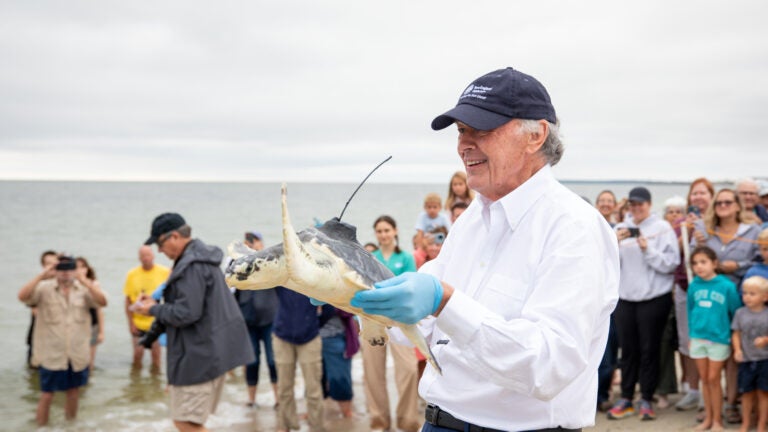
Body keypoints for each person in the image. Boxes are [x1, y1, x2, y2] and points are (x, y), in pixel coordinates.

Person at [350, 67, 620, 431]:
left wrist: (444, 301)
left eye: (483, 129)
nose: (464, 144)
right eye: (462, 130)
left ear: (536, 135)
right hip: (438, 422)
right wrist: (352, 289)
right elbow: (419, 325)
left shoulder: (574, 227)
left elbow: (548, 365)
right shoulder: (473, 218)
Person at [134, 213, 254, 432]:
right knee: (192, 421)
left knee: (185, 422)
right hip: (209, 352)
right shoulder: (199, 259)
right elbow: (191, 306)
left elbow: (186, 313)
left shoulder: (192, 266)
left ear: (175, 237)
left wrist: (151, 309)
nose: (159, 251)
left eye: (160, 244)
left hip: (199, 357)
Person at [609, 186, 680, 421]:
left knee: (650, 350)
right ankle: (626, 397)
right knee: (628, 351)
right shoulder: (620, 228)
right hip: (625, 299)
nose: (636, 208)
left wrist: (647, 249)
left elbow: (671, 264)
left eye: (640, 204)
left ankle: (647, 398)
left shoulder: (662, 228)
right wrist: (612, 245)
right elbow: (609, 266)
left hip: (654, 299)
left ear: (649, 205)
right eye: (632, 204)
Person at [693, 188, 762, 424]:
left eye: (728, 201)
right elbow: (697, 257)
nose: (723, 205)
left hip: (739, 295)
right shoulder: (706, 230)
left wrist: (736, 265)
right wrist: (696, 238)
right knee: (712, 360)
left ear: (737, 205)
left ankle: (731, 403)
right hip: (710, 299)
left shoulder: (752, 230)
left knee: (734, 355)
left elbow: (759, 259)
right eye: (719, 202)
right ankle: (712, 407)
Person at [18, 255, 108, 426]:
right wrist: (41, 275)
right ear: (56, 271)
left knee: (74, 392)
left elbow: (102, 302)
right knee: (46, 394)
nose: (65, 274)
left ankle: (70, 426)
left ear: (74, 271)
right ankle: (42, 428)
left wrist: (85, 281)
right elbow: (22, 296)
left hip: (76, 353)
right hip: (52, 354)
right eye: (62, 270)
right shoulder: (44, 288)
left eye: (69, 270)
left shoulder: (83, 289)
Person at [366, 215, 421, 432]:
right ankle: (379, 421)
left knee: (408, 370)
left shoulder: (406, 258)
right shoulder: (370, 257)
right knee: (373, 373)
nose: (383, 234)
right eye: (379, 231)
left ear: (395, 231)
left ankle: (408, 422)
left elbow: (411, 289)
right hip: (372, 321)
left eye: (387, 230)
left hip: (399, 322)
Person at [687, 246, 741, 432]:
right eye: (695, 263)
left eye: (703, 262)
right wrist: (691, 334)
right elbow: (690, 310)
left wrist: (735, 339)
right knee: (704, 378)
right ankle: (708, 419)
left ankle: (718, 420)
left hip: (719, 339)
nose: (699, 267)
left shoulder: (727, 286)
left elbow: (736, 313)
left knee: (714, 378)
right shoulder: (694, 285)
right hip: (698, 338)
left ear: (714, 263)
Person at [674, 177, 715, 411]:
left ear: (711, 196)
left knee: (709, 340)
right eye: (694, 194)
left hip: (708, 289)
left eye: (703, 193)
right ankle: (693, 389)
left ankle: (709, 391)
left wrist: (703, 235)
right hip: (684, 287)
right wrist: (685, 232)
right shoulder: (682, 221)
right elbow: (675, 254)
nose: (698, 198)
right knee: (687, 340)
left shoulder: (714, 222)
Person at [272, 286, 326, 432]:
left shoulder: (313, 275)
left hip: (310, 336)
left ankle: (317, 427)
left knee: (313, 389)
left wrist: (315, 323)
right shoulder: (281, 277)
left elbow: (329, 307)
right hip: (282, 335)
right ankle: (286, 425)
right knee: (284, 388)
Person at [234, 230, 279, 408]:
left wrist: (260, 251)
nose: (251, 243)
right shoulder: (238, 261)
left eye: (254, 240)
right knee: (251, 361)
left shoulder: (269, 260)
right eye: (248, 241)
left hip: (270, 319)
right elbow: (231, 286)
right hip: (248, 320)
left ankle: (278, 399)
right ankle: (251, 399)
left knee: (272, 360)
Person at [123, 245, 170, 370]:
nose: (145, 258)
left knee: (156, 357)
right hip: (138, 323)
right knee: (137, 355)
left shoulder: (164, 272)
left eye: (148, 255)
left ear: (153, 256)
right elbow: (127, 301)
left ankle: (155, 386)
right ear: (139, 258)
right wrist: (131, 324)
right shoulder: (132, 274)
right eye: (142, 256)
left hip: (156, 323)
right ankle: (135, 385)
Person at [732, 275, 768, 432]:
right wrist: (738, 350)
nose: (747, 297)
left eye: (752, 294)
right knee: (746, 393)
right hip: (747, 360)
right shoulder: (740, 313)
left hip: (765, 359)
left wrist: (766, 339)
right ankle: (745, 423)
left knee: (763, 393)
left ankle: (761, 424)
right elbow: (736, 333)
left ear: (765, 296)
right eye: (745, 293)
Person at [594, 190, 619, 412]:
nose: (605, 204)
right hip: (593, 296)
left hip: (615, 300)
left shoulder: (621, 228)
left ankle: (602, 395)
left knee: (609, 352)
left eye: (609, 201)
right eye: (602, 201)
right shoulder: (589, 226)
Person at [318, 304, 359, 418]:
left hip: (335, 335)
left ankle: (346, 412)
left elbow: (351, 309)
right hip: (309, 336)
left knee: (340, 377)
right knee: (314, 378)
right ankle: (316, 412)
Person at [25, 250, 58, 368]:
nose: (51, 266)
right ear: (43, 265)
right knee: (35, 370)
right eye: (48, 263)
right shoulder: (38, 285)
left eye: (54, 263)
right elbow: (35, 310)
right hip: (38, 336)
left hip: (57, 340)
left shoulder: (63, 284)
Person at [75, 256, 105, 370]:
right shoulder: (69, 285)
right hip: (76, 325)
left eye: (83, 267)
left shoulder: (93, 284)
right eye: (77, 267)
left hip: (92, 325)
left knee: (90, 360)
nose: (80, 270)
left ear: (87, 269)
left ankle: (88, 382)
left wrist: (101, 332)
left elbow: (100, 309)